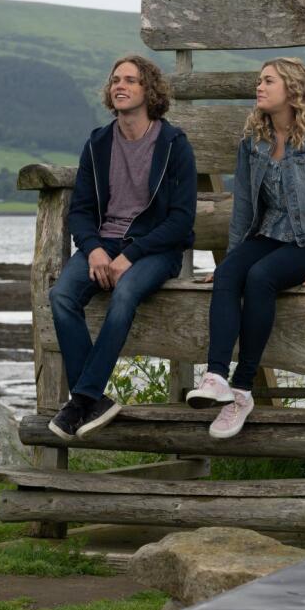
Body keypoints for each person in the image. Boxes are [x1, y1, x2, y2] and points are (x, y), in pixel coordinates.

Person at [186, 57, 305, 439]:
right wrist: (233, 257)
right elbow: (242, 204)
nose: (259, 87)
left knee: (261, 278)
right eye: (259, 81)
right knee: (229, 273)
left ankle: (242, 389)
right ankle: (215, 378)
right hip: (268, 235)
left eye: (268, 81)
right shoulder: (253, 137)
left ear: (292, 89)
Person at [48, 54, 197, 440]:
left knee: (125, 292)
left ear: (149, 91)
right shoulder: (97, 143)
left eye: (130, 80)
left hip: (154, 250)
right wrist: (95, 249)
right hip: (105, 243)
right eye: (116, 79)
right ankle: (92, 399)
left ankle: (81, 400)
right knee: (62, 295)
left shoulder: (173, 144)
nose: (120, 85)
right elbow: (80, 211)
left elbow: (181, 221)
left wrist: (130, 255)